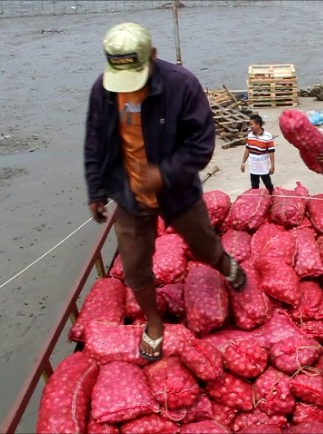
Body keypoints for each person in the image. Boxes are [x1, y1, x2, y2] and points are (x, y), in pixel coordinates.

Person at [84, 22, 246, 362]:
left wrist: (163, 174)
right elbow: (95, 141)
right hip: (129, 193)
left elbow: (201, 146)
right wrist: (96, 189)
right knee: (134, 265)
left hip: (178, 191)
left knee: (204, 245)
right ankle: (154, 322)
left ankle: (227, 266)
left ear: (153, 57)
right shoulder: (104, 90)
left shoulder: (182, 85)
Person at [240, 114, 275, 194]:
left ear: (258, 125)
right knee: (254, 185)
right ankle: (256, 199)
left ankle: (272, 197)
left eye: (251, 124)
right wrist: (243, 162)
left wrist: (272, 166)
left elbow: (271, 152)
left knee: (268, 185)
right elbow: (247, 149)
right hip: (253, 165)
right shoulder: (250, 135)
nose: (250, 126)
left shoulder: (267, 136)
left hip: (263, 165)